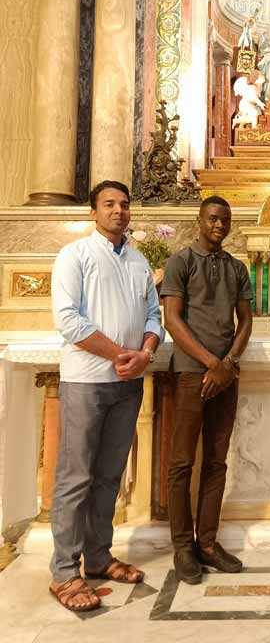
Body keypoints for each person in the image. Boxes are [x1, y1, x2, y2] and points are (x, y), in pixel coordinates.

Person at [49, 180, 164, 612]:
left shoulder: (138, 261)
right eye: (109, 204)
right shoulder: (75, 255)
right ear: (94, 211)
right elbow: (68, 320)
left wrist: (145, 353)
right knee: (75, 476)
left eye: (124, 204)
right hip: (86, 380)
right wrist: (121, 354)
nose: (118, 211)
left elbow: (153, 316)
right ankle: (64, 571)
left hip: (127, 383)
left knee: (109, 475)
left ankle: (98, 557)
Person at [161, 195, 253, 584]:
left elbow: (245, 321)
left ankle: (209, 544)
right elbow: (172, 319)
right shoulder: (180, 262)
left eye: (225, 220)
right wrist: (211, 363)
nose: (219, 225)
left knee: (217, 461)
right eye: (213, 218)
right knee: (182, 462)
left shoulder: (237, 267)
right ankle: (183, 547)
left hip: (225, 375)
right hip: (190, 373)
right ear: (200, 220)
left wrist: (228, 363)